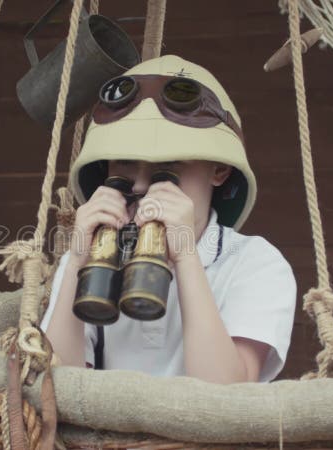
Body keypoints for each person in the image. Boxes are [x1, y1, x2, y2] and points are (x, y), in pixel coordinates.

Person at [40, 55, 296, 384]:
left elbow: (228, 396)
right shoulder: (93, 255)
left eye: (170, 167)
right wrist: (77, 261)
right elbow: (54, 385)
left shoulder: (254, 263)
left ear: (219, 169)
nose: (142, 185)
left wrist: (185, 254)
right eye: (124, 164)